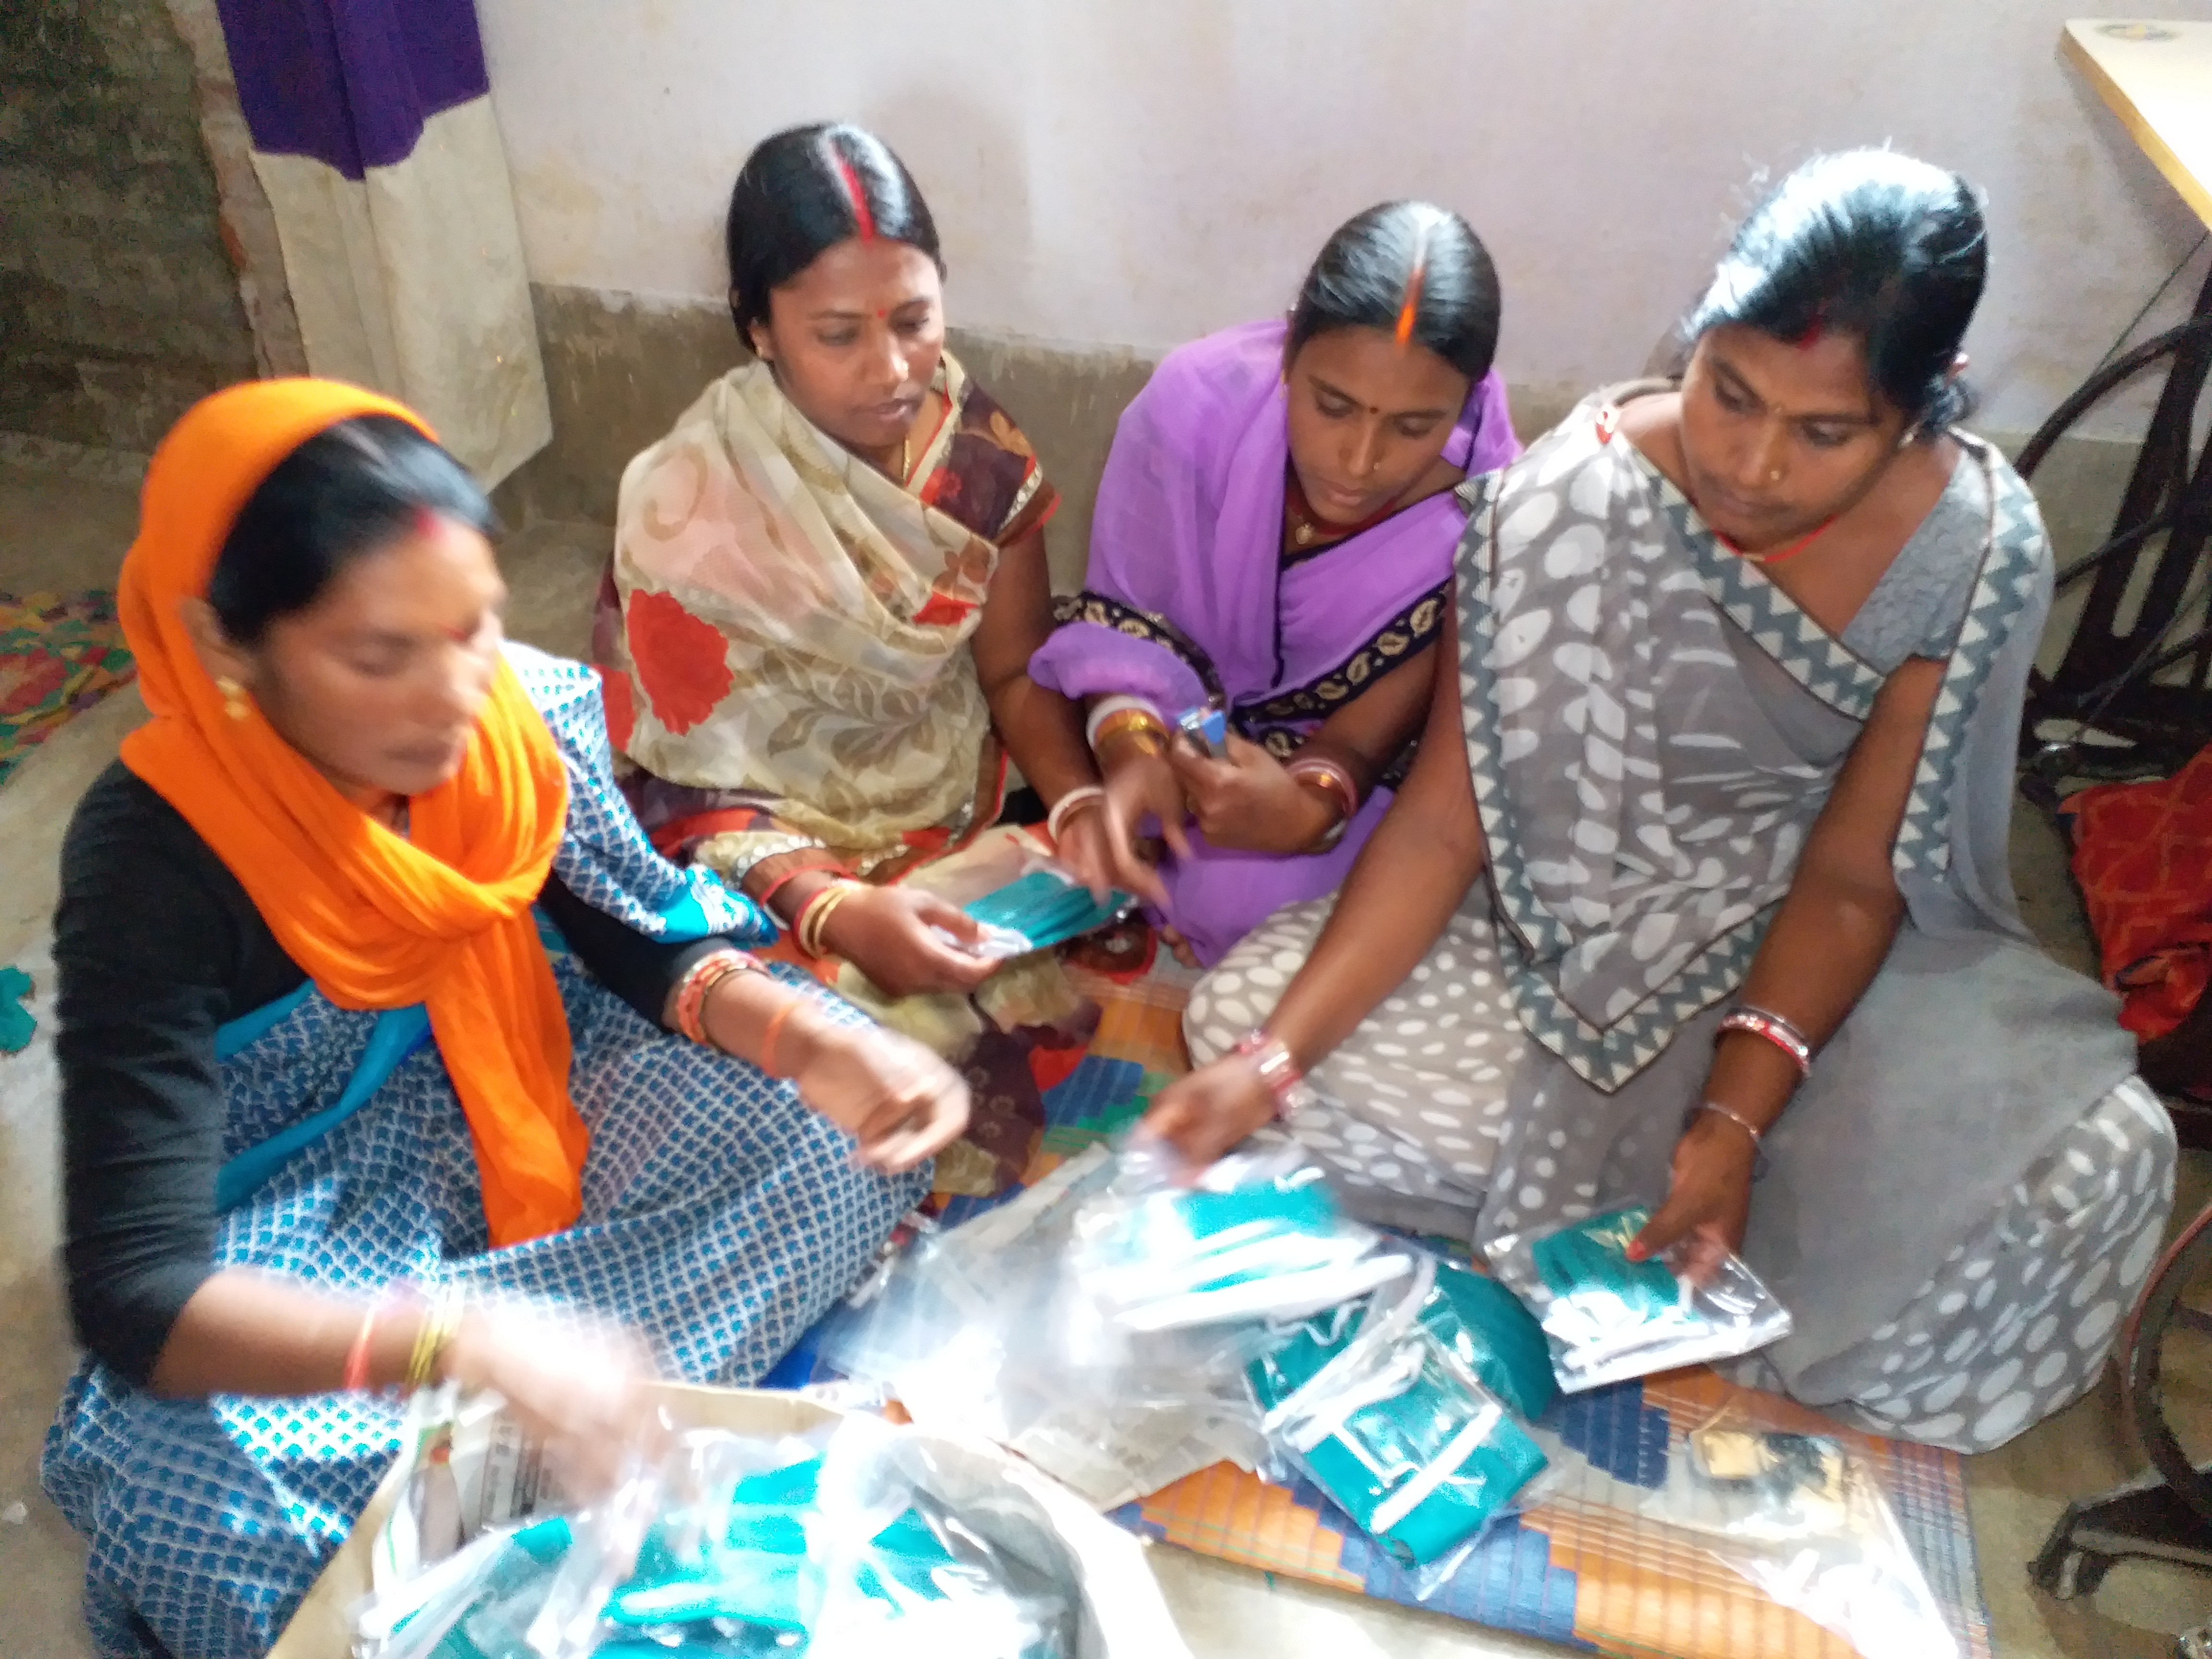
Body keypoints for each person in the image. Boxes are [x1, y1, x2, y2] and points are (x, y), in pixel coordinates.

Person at [1150, 150, 2173, 1455]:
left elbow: (1860, 880)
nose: (1750, 463)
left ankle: (1681, 1229)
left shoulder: (1974, 546)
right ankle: (1677, 1247)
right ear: (1693, 336)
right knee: (1244, 1017)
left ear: (1927, 410)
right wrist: (1267, 1065)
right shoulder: (1567, 505)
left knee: (2105, 1167)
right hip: (1586, 954)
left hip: (1844, 973)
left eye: (1824, 432)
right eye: (1727, 391)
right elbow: (1449, 826)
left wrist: (1735, 1114)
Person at [40, 379, 969, 1659]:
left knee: (834, 1148)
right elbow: (137, 1293)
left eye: (474, 628)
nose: (454, 695)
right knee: (192, 1488)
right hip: (312, 1209)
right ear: (223, 646)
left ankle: (527, 1439)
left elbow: (634, 938)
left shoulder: (512, 716)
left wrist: (826, 1046)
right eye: (380, 656)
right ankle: (564, 1404)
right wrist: (463, 1343)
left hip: (537, 1065)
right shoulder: (154, 856)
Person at [594, 121, 1098, 1020]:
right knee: (777, 1016)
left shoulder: (972, 452)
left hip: (939, 781)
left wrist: (1081, 810)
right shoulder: (692, 500)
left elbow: (1015, 673)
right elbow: (681, 777)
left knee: (1057, 907)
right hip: (751, 828)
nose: (894, 370)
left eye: (915, 321)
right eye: (837, 336)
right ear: (760, 331)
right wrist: (835, 908)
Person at [1032, 200, 1521, 967]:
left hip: (1356, 776)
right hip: (1178, 735)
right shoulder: (1195, 406)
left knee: (1241, 901)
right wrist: (1130, 751)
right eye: (1333, 406)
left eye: (1413, 426)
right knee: (1117, 829)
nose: (1360, 461)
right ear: (1289, 350)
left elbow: (1370, 743)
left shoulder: (1490, 513)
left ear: (1467, 403)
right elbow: (1126, 614)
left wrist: (1308, 809)